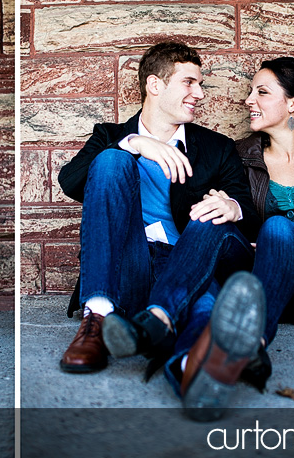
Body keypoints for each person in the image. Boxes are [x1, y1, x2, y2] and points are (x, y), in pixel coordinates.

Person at [165, 57, 294, 420]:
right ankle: (237, 346)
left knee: (278, 228)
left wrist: (293, 238)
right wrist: (221, 205)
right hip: (263, 284)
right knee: (211, 220)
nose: (249, 99)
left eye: (261, 91)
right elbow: (231, 219)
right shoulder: (242, 155)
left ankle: (248, 336)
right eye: (250, 91)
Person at [57, 41, 262, 380]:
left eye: (201, 84)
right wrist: (133, 144)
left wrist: (232, 206)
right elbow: (70, 181)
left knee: (204, 306)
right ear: (155, 85)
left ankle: (192, 367)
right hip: (128, 262)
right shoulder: (111, 136)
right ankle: (97, 317)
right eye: (189, 82)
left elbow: (251, 219)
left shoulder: (216, 148)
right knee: (110, 160)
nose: (199, 93)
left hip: (184, 262)